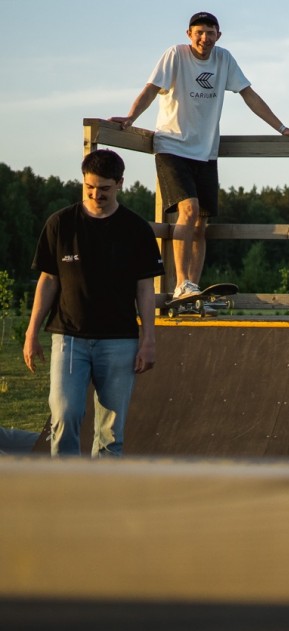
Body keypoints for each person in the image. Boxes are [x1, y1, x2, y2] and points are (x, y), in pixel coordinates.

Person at [112, 11, 289, 302]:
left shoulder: (224, 59)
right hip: (172, 145)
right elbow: (151, 89)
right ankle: (180, 283)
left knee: (201, 222)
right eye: (199, 32)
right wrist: (130, 117)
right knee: (188, 211)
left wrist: (281, 128)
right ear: (189, 34)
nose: (205, 38)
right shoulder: (175, 55)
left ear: (219, 35)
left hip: (205, 152)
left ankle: (192, 288)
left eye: (210, 32)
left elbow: (249, 95)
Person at [24, 149, 163, 456]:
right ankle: (65, 491)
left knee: (111, 431)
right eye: (90, 187)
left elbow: (145, 288)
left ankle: (103, 496)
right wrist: (31, 332)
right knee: (65, 415)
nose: (96, 194)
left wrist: (148, 340)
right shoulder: (60, 224)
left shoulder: (136, 230)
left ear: (120, 184)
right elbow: (48, 280)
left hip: (119, 341)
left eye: (104, 189)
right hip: (69, 337)